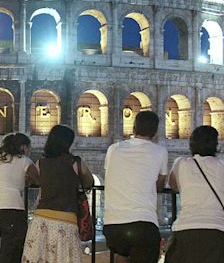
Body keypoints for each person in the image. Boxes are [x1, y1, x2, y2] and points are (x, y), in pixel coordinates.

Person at [21, 125, 93, 263]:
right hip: (66, 220)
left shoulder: (41, 163)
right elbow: (89, 182)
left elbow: (32, 180)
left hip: (41, 219)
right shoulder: (75, 162)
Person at [103, 110, 168, 263]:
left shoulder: (113, 149)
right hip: (143, 223)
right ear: (155, 131)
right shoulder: (160, 151)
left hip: (113, 224)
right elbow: (160, 184)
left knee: (122, 253)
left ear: (134, 127)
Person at [165, 125, 224, 262]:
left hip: (185, 229)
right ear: (215, 144)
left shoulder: (181, 164)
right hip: (216, 231)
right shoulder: (222, 166)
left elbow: (174, 186)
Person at [0, 132, 39, 263]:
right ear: (23, 147)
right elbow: (39, 179)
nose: (29, 151)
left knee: (10, 249)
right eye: (28, 147)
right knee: (11, 253)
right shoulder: (24, 160)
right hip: (12, 210)